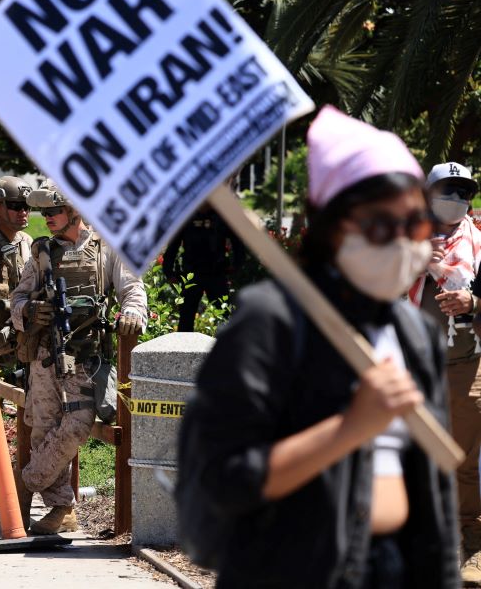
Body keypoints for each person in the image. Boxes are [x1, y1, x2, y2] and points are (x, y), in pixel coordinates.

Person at [180, 106, 459, 588]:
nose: (400, 243)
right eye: (378, 226)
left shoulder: (417, 335)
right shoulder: (271, 322)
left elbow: (436, 501)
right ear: (331, 225)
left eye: (413, 225)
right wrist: (352, 426)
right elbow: (223, 480)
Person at [10, 181, 146, 534]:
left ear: (75, 212)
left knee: (77, 425)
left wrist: (132, 313)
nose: (47, 218)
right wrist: (30, 310)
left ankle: (24, 483)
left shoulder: (106, 248)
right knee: (42, 430)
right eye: (43, 213)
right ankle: (62, 509)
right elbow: (17, 300)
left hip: (89, 358)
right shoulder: (41, 252)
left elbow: (133, 289)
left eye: (53, 211)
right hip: (46, 355)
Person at [409, 161, 481, 582]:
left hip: (464, 366)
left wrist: (473, 305)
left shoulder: (480, 244)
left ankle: (472, 545)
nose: (455, 200)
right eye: (446, 191)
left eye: (463, 192)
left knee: (464, 461)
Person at [162, 203, 244, 331]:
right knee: (186, 318)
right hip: (192, 274)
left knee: (224, 315)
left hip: (216, 273)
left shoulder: (221, 216)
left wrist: (236, 265)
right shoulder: (187, 215)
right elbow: (173, 245)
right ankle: (183, 349)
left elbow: (237, 242)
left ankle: (227, 348)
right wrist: (169, 272)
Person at [0, 176, 33, 367]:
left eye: (27, 206)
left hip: (18, 342)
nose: (24, 212)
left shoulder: (27, 243)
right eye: (16, 205)